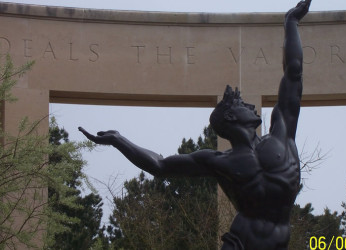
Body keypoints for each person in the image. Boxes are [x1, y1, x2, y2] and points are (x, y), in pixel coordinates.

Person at [79, 1, 311, 249]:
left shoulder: (282, 132)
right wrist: (118, 139)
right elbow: (160, 165)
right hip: (241, 243)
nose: (252, 106)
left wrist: (291, 22)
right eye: (243, 104)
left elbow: (293, 71)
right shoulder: (218, 161)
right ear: (232, 117)